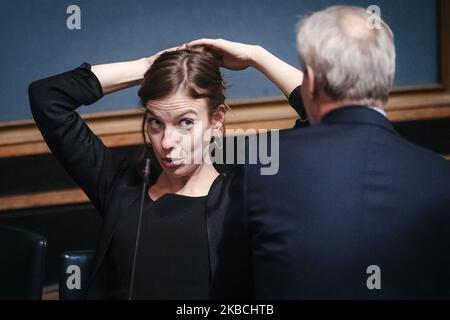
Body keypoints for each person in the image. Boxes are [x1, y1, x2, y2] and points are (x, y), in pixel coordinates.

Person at [190, 5, 450, 299]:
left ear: (309, 81)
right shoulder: (440, 177)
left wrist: (256, 57)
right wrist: (257, 56)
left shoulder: (262, 164)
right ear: (387, 81)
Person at [28, 45, 304, 299]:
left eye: (185, 122)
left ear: (216, 120)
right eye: (156, 123)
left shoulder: (242, 194)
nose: (167, 141)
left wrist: (257, 57)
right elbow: (48, 97)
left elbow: (327, 122)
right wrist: (146, 66)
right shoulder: (119, 186)